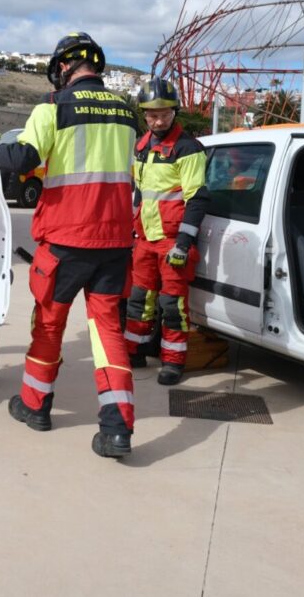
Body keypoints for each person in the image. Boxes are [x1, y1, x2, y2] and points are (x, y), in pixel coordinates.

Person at [0, 32, 139, 458]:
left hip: (66, 240)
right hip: (114, 241)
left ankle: (35, 405)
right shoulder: (125, 112)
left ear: (64, 67)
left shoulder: (53, 107)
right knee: (107, 332)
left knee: (48, 325)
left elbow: (24, 159)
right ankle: (117, 428)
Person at [124, 78, 209, 385]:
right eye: (150, 114)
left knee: (172, 305)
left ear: (175, 112)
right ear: (144, 114)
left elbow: (196, 198)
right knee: (139, 299)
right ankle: (134, 350)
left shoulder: (188, 149)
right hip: (145, 240)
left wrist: (184, 243)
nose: (157, 119)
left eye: (163, 113)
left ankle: (173, 361)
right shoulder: (142, 146)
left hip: (173, 242)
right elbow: (139, 193)